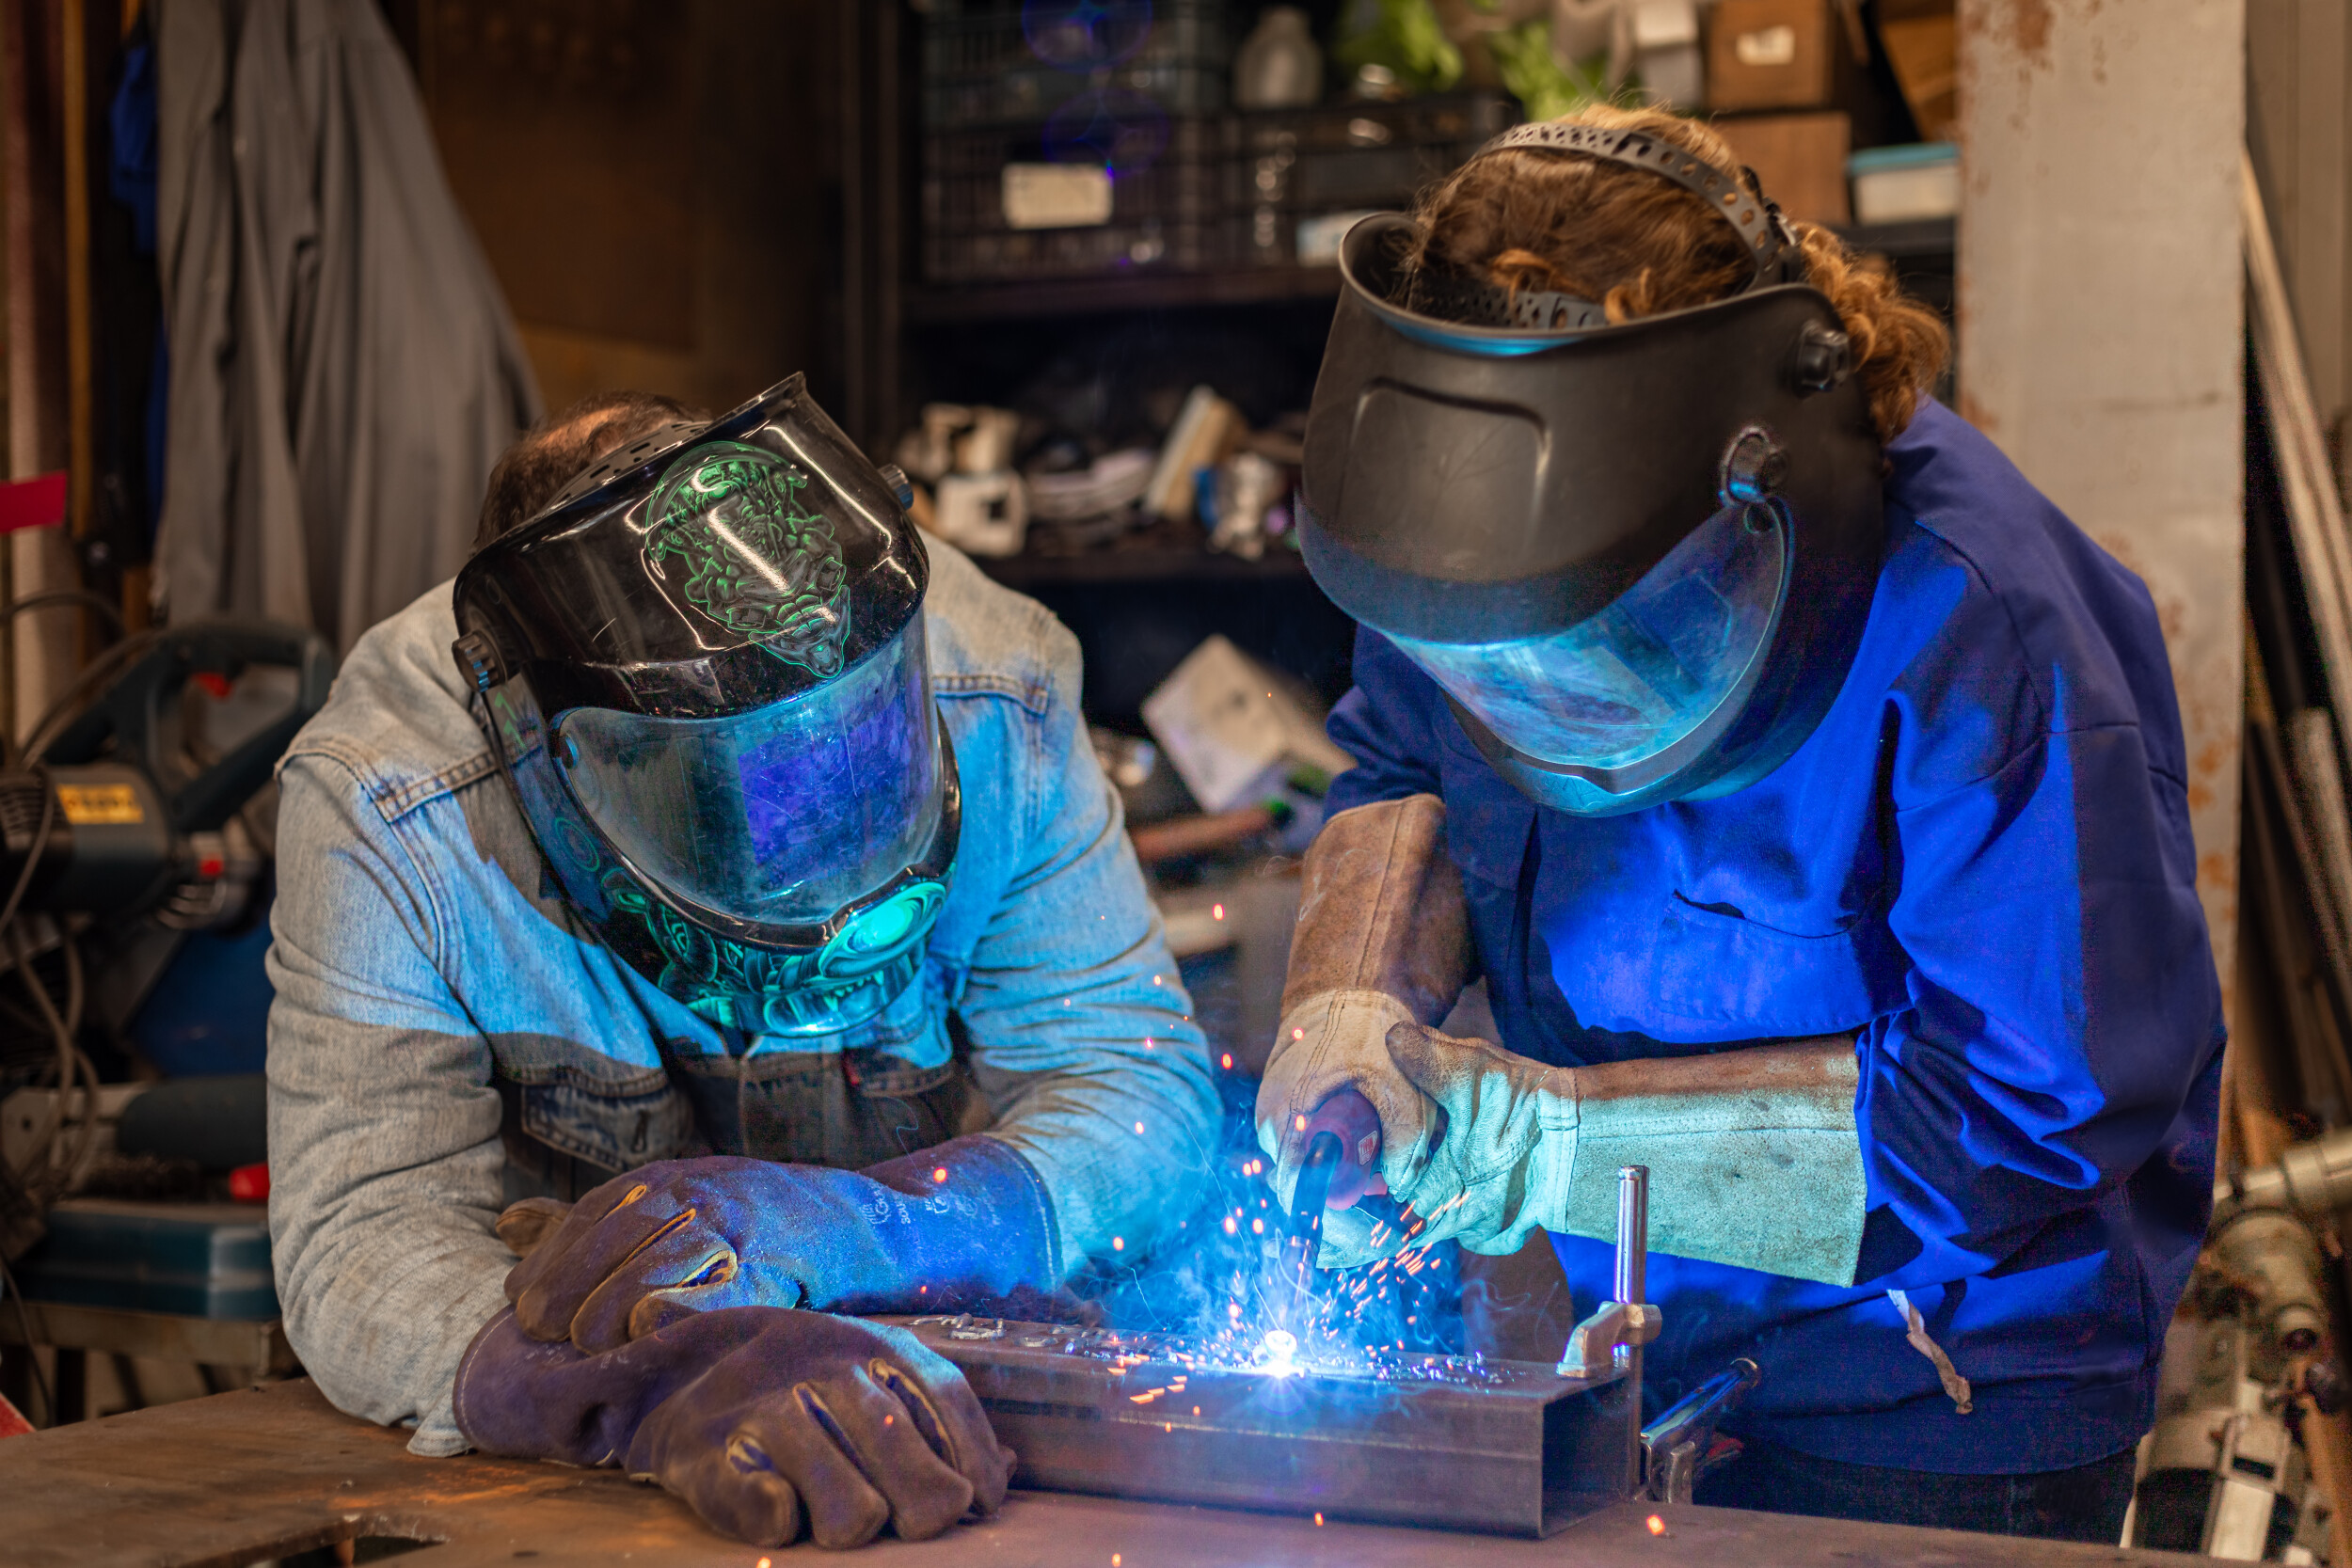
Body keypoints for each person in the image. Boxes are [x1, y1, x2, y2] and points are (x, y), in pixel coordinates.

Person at [1257, 105, 2222, 1543]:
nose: (1530, 708)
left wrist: (1551, 1147)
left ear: (1744, 494)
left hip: (1934, 1397)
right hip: (1640, 1341)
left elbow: (2026, 1107)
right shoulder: (1468, 537)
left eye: (1586, 642)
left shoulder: (1980, 620)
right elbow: (1406, 756)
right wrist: (1348, 1011)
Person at [266, 377, 1219, 1547]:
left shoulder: (999, 686)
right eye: (728, 809)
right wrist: (653, 1383)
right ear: (544, 747)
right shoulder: (388, 798)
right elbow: (361, 1231)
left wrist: (893, 1228)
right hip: (587, 1512)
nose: (819, 890)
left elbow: (1138, 1088)